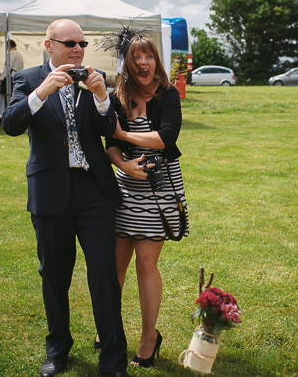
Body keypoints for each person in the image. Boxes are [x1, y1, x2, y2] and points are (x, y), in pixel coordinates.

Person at [1, 19, 129, 377]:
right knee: (54, 276)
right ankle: (57, 349)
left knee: (103, 274)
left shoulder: (94, 77)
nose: (78, 49)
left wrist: (102, 98)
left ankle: (113, 360)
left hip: (93, 190)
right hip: (50, 189)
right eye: (70, 43)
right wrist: (42, 92)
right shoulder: (28, 79)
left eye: (82, 44)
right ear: (49, 45)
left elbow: (109, 129)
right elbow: (10, 124)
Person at [104, 35, 188, 368]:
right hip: (125, 188)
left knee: (144, 264)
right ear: (127, 62)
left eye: (149, 56)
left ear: (156, 61)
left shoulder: (167, 94)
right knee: (115, 264)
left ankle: (149, 338)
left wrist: (123, 134)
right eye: (136, 57)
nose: (143, 62)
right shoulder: (118, 96)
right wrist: (123, 164)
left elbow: (166, 137)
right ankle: (110, 331)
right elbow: (108, 144)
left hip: (158, 187)